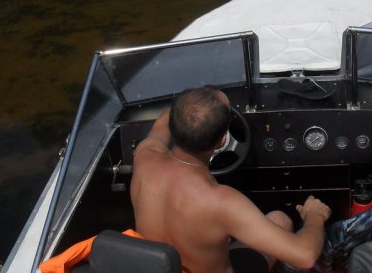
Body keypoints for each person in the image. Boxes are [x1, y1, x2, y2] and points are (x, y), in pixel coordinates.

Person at [130, 86, 331, 273]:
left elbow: (164, 120)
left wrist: (199, 102)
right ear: (222, 141)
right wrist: (315, 216)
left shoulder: (145, 156)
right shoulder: (222, 202)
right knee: (281, 219)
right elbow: (305, 256)